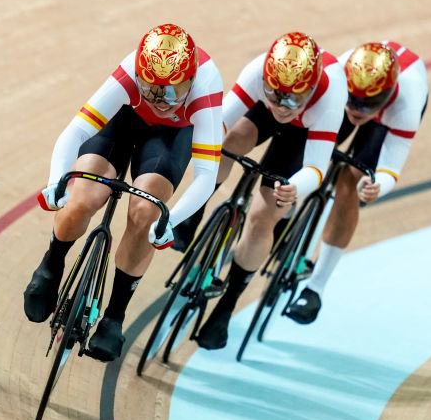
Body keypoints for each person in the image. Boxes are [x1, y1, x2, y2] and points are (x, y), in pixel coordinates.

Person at [22, 23, 223, 361]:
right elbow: (75, 132)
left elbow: (206, 175)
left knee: (146, 214)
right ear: (139, 75)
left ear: (190, 81)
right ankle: (51, 264)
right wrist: (56, 182)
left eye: (173, 93)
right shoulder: (131, 71)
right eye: (151, 89)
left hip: (169, 139)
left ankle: (114, 316)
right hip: (124, 120)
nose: (161, 101)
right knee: (84, 197)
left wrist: (169, 222)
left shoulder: (206, 87)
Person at [189, 31, 347, 350]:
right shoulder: (260, 72)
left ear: (311, 90)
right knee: (230, 142)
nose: (281, 105)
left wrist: (294, 187)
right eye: (274, 94)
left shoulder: (330, 97)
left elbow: (316, 168)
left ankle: (226, 306)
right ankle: (192, 218)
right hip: (263, 114)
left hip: (304, 134)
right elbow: (221, 120)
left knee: (264, 215)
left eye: (292, 99)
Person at [283, 41, 428, 324]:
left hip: (386, 120)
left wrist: (378, 186)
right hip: (359, 97)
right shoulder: (337, 77)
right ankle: (289, 203)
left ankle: (315, 288)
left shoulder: (406, 105)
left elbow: (391, 167)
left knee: (350, 180)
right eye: (353, 98)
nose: (358, 109)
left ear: (387, 96)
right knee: (312, 147)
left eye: (368, 103)